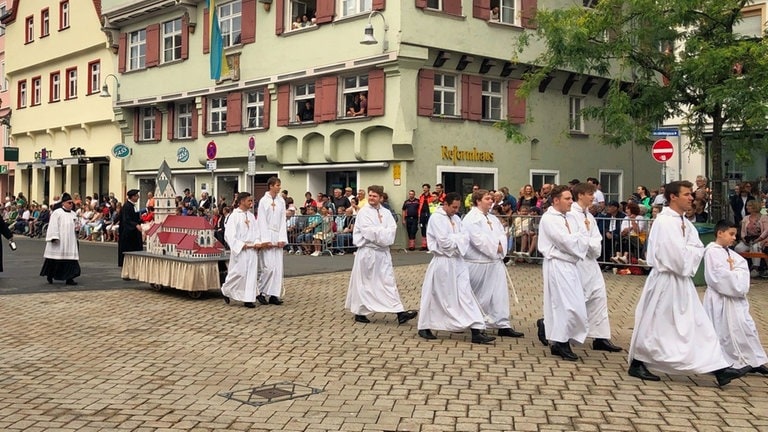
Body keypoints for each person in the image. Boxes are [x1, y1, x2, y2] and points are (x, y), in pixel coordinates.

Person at [627, 181, 749, 387]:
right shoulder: (665, 222)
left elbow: (696, 247)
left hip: (682, 281)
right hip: (666, 280)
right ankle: (639, 361)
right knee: (657, 322)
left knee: (697, 323)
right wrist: (688, 253)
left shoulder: (684, 222)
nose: (691, 198)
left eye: (691, 194)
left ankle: (719, 368)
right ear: (673, 197)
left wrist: (689, 253)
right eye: (686, 194)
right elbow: (674, 255)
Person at [416, 192, 495, 344]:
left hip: (458, 262)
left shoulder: (457, 218)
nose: (456, 210)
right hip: (442, 263)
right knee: (437, 295)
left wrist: (456, 241)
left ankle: (476, 330)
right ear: (445, 204)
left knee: (466, 294)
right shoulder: (437, 218)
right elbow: (444, 242)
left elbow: (466, 238)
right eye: (453, 207)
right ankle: (425, 326)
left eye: (458, 207)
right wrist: (457, 240)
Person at [345, 185, 418, 325]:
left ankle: (399, 312)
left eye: (375, 196)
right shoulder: (364, 212)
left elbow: (391, 231)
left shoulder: (386, 212)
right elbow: (368, 232)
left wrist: (382, 234)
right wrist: (382, 233)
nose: (372, 198)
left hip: (382, 254)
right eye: (370, 195)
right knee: (364, 283)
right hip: (367, 253)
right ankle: (360, 312)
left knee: (387, 282)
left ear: (380, 198)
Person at [703, 220, 768, 376]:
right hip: (720, 299)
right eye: (731, 234)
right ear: (720, 233)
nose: (734, 238)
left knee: (746, 327)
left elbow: (742, 269)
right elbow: (718, 276)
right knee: (724, 331)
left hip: (735, 299)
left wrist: (737, 277)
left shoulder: (729, 253)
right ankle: (726, 362)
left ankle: (753, 360)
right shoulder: (712, 251)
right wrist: (736, 278)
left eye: (735, 235)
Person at [566, 182, 622, 352]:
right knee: (577, 300)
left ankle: (600, 337)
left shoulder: (589, 216)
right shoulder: (570, 215)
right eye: (590, 194)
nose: (593, 197)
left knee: (598, 298)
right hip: (578, 263)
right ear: (580, 195)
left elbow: (596, 239)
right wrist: (588, 245)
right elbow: (575, 239)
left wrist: (592, 246)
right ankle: (553, 328)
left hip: (591, 262)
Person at [536, 185, 589, 361]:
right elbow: (564, 241)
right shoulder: (549, 219)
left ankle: (559, 339)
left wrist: (576, 241)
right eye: (567, 199)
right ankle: (561, 341)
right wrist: (576, 241)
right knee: (564, 304)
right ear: (556, 200)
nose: (571, 202)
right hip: (557, 265)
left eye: (571, 198)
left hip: (572, 265)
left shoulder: (573, 217)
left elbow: (584, 236)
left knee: (576, 305)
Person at [463, 189, 524, 338]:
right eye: (487, 198)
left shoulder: (492, 218)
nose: (491, 201)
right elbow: (477, 239)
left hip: (494, 262)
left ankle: (502, 323)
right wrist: (495, 247)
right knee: (480, 296)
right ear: (478, 201)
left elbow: (502, 233)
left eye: (491, 199)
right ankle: (476, 327)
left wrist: (501, 246)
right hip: (479, 262)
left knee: (499, 294)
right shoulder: (471, 218)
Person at [221, 192, 263, 308]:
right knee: (239, 272)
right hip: (241, 250)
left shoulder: (250, 216)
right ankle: (226, 288)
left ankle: (248, 298)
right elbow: (229, 235)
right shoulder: (234, 216)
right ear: (241, 201)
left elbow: (256, 232)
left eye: (251, 201)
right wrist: (239, 245)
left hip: (251, 249)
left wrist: (257, 243)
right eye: (249, 201)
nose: (251, 203)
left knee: (251, 274)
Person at [256, 176, 287, 306]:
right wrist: (265, 240)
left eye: (279, 185)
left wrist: (282, 238)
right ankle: (261, 292)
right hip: (267, 234)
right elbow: (261, 220)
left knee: (277, 267)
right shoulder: (263, 201)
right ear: (271, 186)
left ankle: (274, 294)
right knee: (268, 267)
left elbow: (283, 220)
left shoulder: (281, 201)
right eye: (277, 185)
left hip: (277, 234)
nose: (279, 187)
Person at [39, 193, 81, 285]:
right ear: (63, 203)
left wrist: (77, 228)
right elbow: (53, 225)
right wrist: (54, 237)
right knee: (56, 259)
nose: (71, 205)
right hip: (60, 240)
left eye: (72, 203)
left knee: (70, 259)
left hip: (70, 241)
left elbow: (76, 225)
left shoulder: (74, 214)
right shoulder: (57, 213)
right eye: (69, 203)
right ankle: (50, 275)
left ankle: (69, 278)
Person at [118, 189, 143, 268]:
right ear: (132, 197)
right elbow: (127, 220)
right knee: (129, 249)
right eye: (136, 196)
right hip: (128, 233)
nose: (138, 197)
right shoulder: (127, 206)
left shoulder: (133, 206)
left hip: (134, 231)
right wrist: (135, 225)